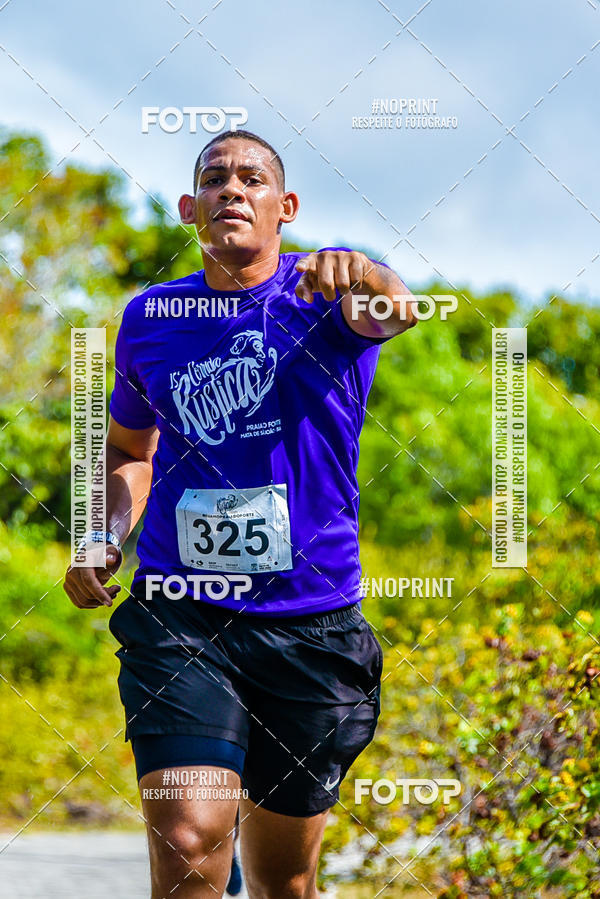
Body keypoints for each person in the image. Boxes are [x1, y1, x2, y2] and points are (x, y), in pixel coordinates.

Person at [63, 129, 417, 899]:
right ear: (191, 209)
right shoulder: (152, 317)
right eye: (215, 179)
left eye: (252, 179)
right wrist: (101, 534)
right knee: (191, 845)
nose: (233, 189)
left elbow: (397, 307)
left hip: (312, 625)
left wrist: (367, 269)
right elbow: (129, 446)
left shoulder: (326, 296)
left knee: (281, 880)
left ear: (284, 208)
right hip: (180, 615)